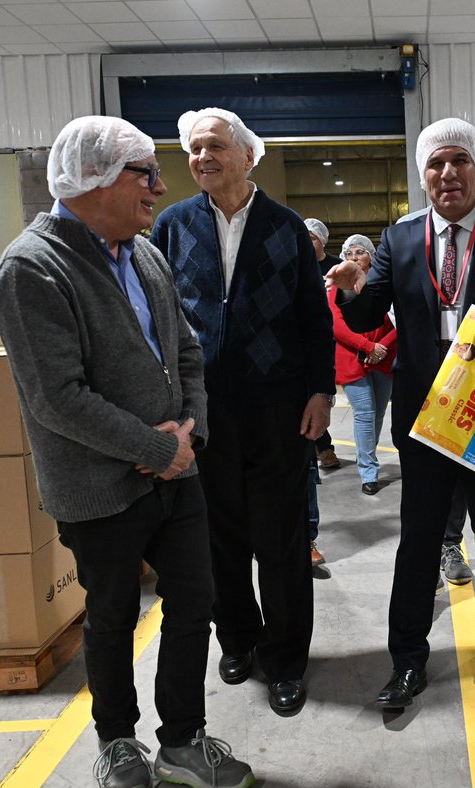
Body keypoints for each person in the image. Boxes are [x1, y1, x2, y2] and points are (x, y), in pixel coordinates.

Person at [0, 115, 254, 788]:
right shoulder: (30, 268)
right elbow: (57, 398)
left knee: (196, 601)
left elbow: (187, 353)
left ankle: (182, 742)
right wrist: (155, 446)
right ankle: (116, 742)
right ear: (95, 180)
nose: (160, 186)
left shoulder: (143, 253)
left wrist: (186, 430)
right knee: (110, 615)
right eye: (144, 173)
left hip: (175, 472)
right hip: (99, 487)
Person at [326, 117, 475, 709]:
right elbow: (364, 318)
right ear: (423, 176)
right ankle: (407, 658)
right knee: (419, 540)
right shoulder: (401, 239)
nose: (447, 173)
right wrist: (353, 289)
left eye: (459, 161)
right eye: (435, 164)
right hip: (425, 416)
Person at [151, 107, 335, 717]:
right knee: (217, 538)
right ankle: (236, 639)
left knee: (280, 541)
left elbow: (314, 316)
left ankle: (285, 658)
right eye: (194, 148)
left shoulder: (284, 227)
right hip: (201, 413)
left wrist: (321, 391)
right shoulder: (172, 226)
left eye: (215, 146)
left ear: (249, 156)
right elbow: (153, 318)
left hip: (278, 407)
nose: (202, 157)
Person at [328, 234, 395, 495]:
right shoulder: (337, 287)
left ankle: (367, 458)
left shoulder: (383, 286)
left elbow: (398, 319)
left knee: (377, 413)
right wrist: (368, 347)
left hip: (383, 356)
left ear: (371, 256)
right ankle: (369, 470)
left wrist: (382, 348)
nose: (354, 258)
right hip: (352, 358)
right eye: (349, 253)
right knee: (364, 414)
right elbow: (337, 326)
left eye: (360, 252)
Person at [306, 217, 343, 471]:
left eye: (312, 238)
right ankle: (318, 449)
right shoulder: (296, 264)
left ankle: (325, 447)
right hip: (304, 339)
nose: (307, 243)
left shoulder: (336, 267)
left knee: (322, 396)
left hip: (333, 336)